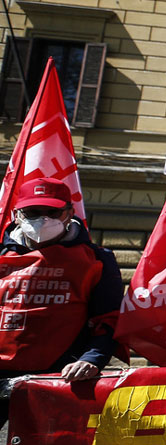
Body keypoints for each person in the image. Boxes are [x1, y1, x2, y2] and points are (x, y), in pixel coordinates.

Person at [0, 178, 123, 428]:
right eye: (33, 212)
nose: (43, 219)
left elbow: (110, 318)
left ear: (69, 213)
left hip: (59, 376)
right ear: (17, 215)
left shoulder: (97, 260)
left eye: (52, 212)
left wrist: (91, 359)